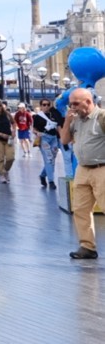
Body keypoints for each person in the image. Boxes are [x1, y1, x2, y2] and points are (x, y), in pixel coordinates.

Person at [63, 87, 105, 260]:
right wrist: (67, 122)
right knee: (80, 209)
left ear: (88, 102)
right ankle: (87, 246)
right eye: (70, 104)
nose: (72, 108)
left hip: (101, 168)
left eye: (75, 104)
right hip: (83, 169)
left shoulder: (101, 117)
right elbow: (64, 140)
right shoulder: (76, 119)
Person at [34, 99, 63, 190]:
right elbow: (33, 129)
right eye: (44, 104)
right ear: (41, 106)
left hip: (54, 138)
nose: (46, 106)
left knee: (52, 159)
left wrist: (62, 138)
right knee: (49, 159)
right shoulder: (37, 116)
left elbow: (58, 127)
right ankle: (51, 181)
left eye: (48, 104)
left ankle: (43, 175)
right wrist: (37, 133)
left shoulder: (53, 115)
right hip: (44, 138)